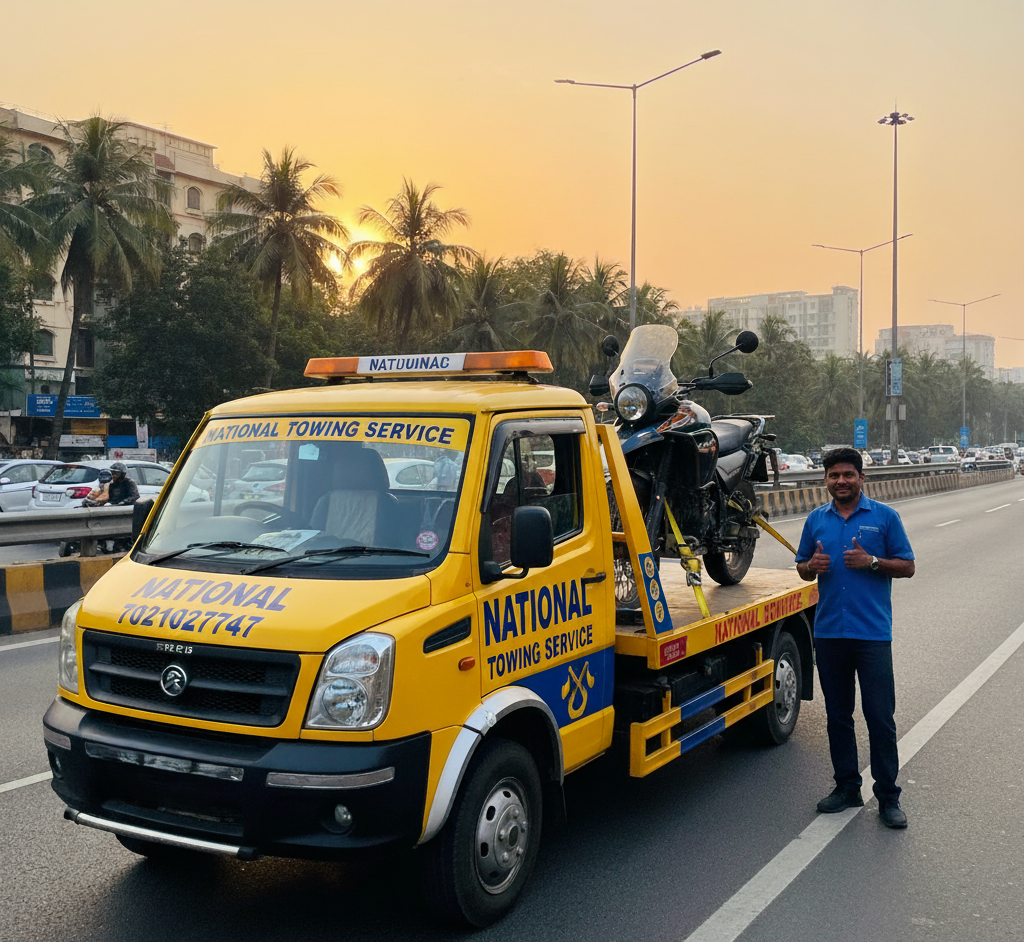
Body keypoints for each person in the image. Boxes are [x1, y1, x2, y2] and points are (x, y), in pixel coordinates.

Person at [795, 447, 915, 829]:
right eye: (834, 476)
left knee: (880, 717)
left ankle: (889, 797)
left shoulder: (884, 517)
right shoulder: (816, 520)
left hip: (872, 635)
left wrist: (873, 562)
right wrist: (809, 567)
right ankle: (847, 787)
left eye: (848, 474)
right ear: (826, 480)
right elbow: (801, 568)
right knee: (837, 716)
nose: (841, 481)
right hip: (829, 633)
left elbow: (908, 566)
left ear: (862, 478)